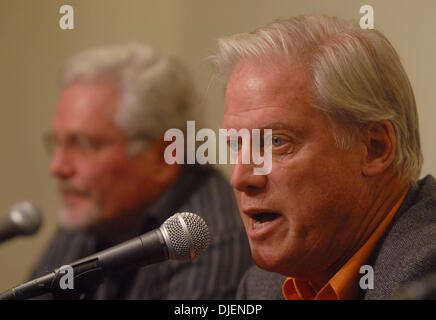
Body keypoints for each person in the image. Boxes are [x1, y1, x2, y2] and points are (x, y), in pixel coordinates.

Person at [213, 15, 436, 300]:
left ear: (375, 148)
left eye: (276, 142)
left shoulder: (425, 277)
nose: (240, 177)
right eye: (235, 145)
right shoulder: (262, 287)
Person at [30, 43, 252, 299]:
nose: (57, 167)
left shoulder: (206, 239)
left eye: (83, 145)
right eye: (57, 143)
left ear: (163, 156)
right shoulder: (92, 212)